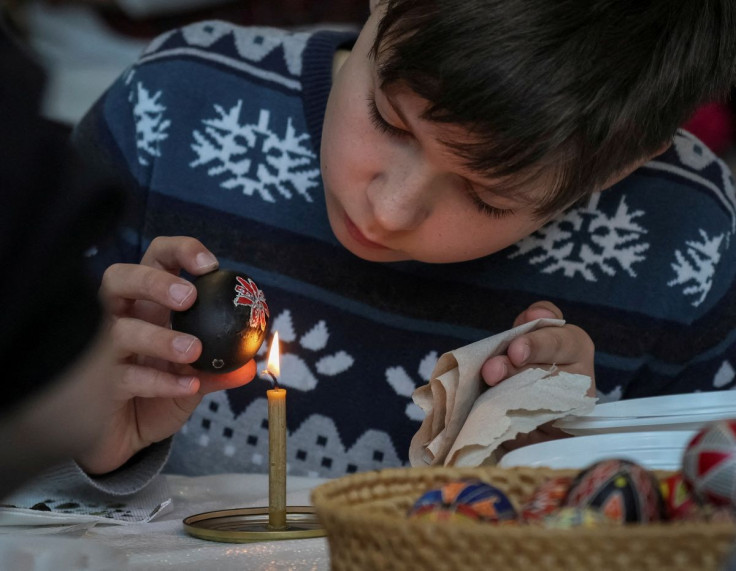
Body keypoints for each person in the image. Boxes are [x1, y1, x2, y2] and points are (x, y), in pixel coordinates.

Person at [66, 0, 735, 492]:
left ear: (619, 165)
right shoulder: (173, 113)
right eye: (388, 118)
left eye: (488, 196)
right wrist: (74, 428)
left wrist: (569, 472)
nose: (386, 211)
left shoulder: (688, 247)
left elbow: (703, 528)